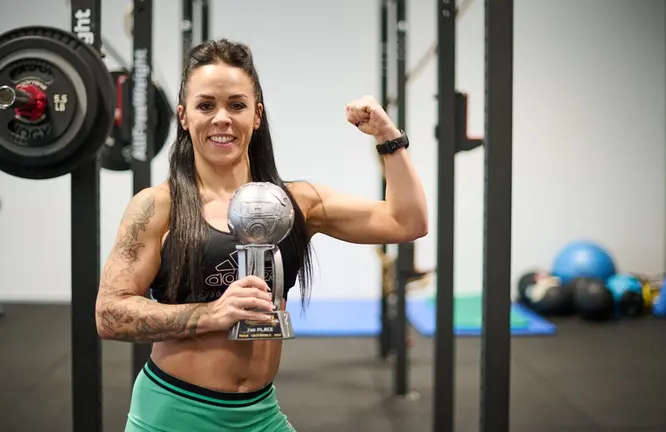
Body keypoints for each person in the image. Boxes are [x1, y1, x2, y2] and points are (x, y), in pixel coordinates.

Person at [95, 39, 428, 432]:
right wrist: (211, 314)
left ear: (257, 116)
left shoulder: (298, 203)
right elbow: (109, 315)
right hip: (173, 414)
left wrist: (387, 138)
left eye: (236, 105)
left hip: (259, 414)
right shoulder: (156, 207)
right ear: (184, 117)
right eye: (206, 106)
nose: (222, 118)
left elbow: (406, 222)